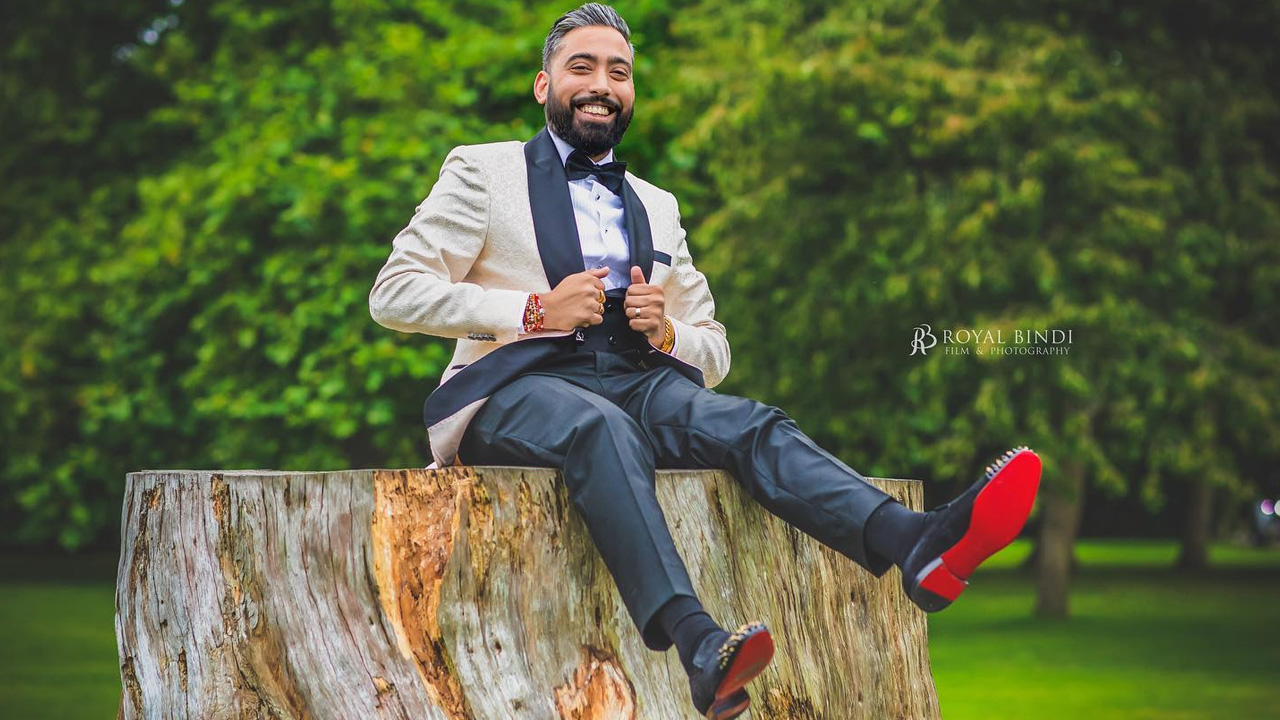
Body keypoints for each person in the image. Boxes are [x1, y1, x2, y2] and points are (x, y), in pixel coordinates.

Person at [368, 4, 1043, 717]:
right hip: (510, 386)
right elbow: (394, 293)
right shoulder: (483, 171)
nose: (602, 83)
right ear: (544, 85)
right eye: (582, 67)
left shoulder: (656, 205)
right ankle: (699, 648)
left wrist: (665, 336)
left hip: (635, 377)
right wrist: (534, 310)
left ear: (630, 93)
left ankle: (918, 546)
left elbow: (713, 348)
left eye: (618, 72)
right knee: (601, 428)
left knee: (749, 423)